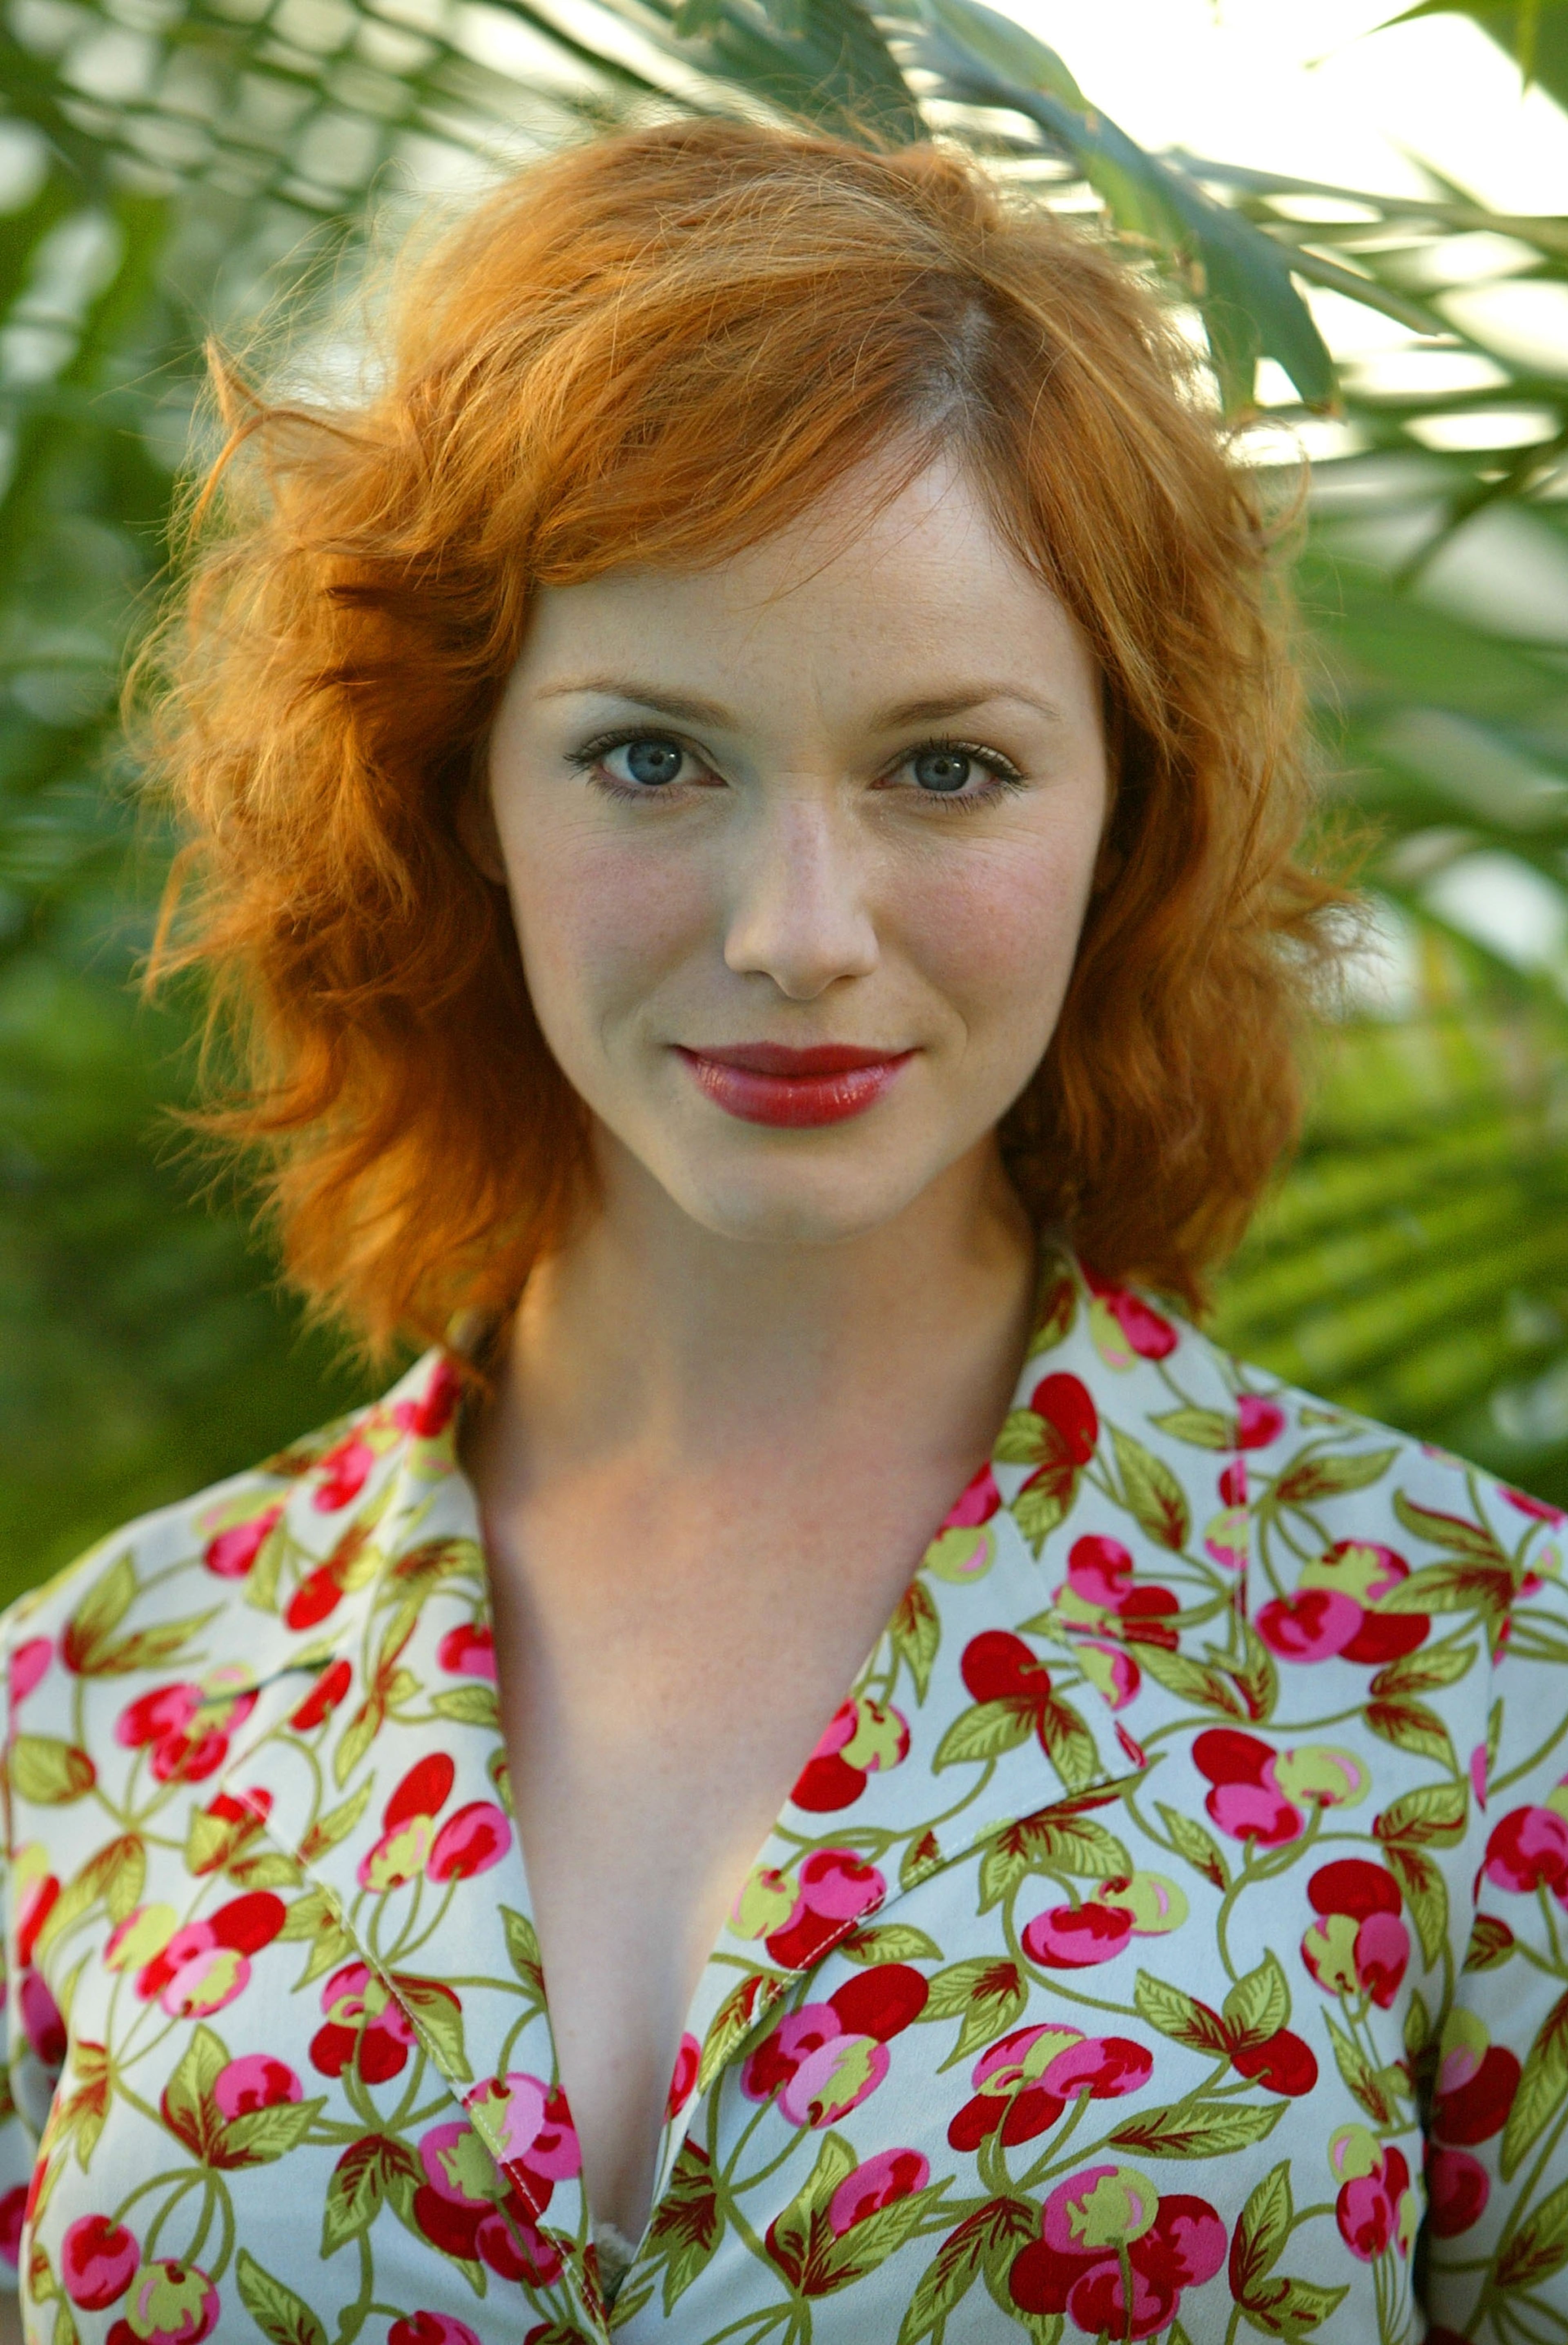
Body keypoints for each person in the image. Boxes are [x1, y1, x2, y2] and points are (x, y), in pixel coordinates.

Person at [0, 115, 1556, 2345]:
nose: (798, 933)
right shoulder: (100, 1706)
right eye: (652, 758)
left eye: (946, 768)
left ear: (1131, 807)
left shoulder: (1483, 1691)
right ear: (458, 796)